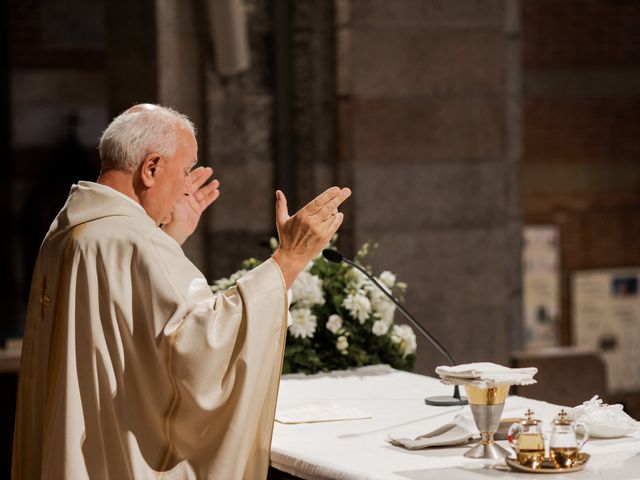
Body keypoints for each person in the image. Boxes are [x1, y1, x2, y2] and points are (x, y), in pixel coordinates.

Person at [12, 104, 351, 479]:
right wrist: (289, 259)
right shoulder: (132, 240)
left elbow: (125, 331)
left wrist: (168, 236)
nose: (185, 186)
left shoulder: (72, 227)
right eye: (186, 169)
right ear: (151, 168)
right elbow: (198, 347)